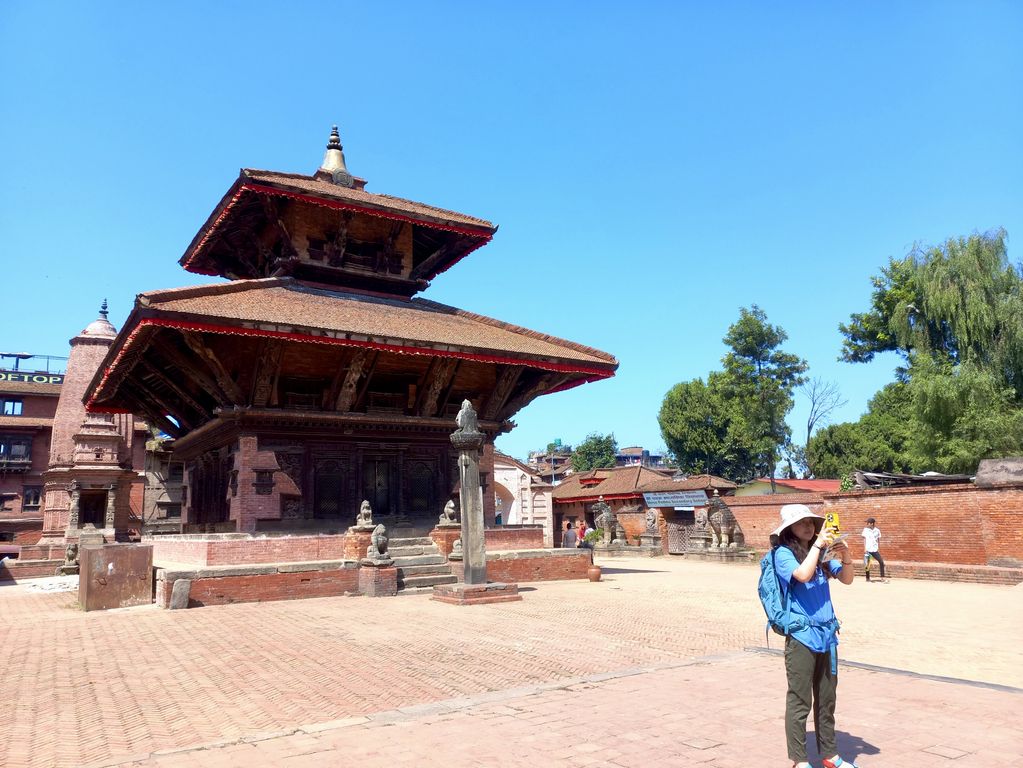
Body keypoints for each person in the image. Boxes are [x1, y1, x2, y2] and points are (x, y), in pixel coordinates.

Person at [772, 504, 857, 768]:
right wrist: (819, 546)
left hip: (827, 636)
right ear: (789, 530)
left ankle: (830, 755)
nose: (808, 527)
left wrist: (846, 556)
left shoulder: (816, 553)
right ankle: (799, 760)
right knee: (800, 700)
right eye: (801, 523)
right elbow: (802, 574)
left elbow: (847, 579)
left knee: (827, 699)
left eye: (811, 522)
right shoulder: (783, 554)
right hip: (801, 637)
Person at [860, 517, 886, 582]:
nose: (866, 524)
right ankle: (867, 578)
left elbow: (878, 539)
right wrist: (864, 548)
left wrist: (878, 548)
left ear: (871, 524)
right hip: (868, 549)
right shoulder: (865, 530)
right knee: (867, 564)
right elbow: (864, 539)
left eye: (867, 523)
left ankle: (882, 578)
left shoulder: (877, 530)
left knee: (881, 562)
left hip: (875, 549)